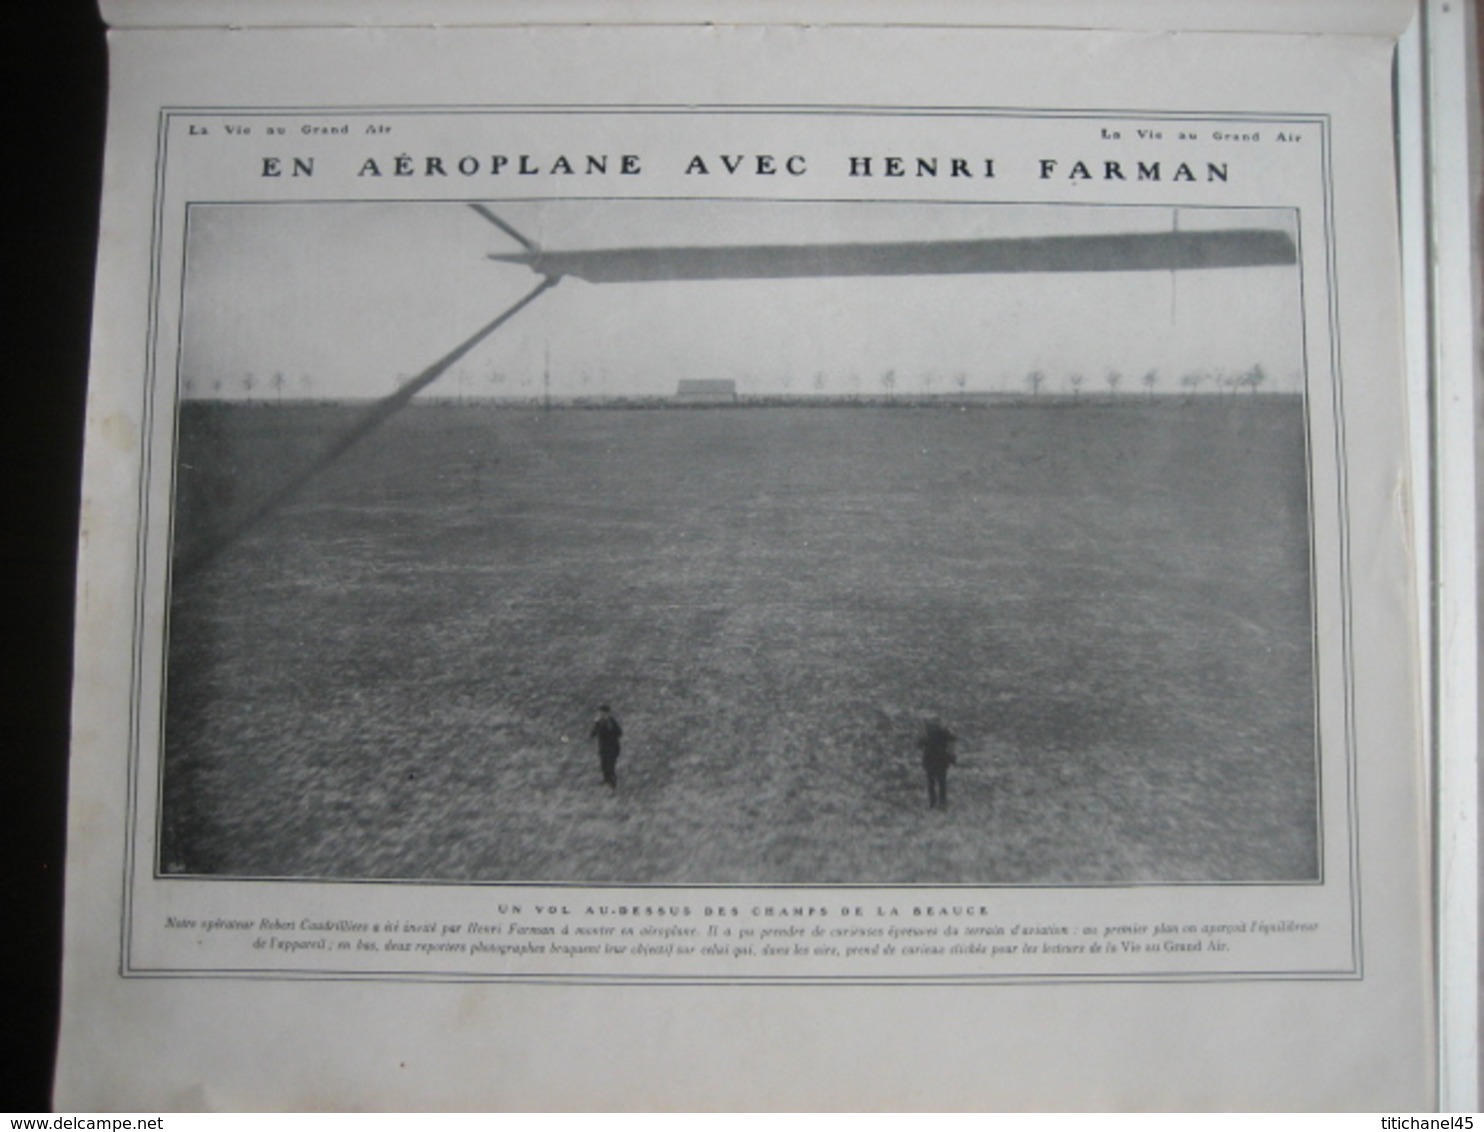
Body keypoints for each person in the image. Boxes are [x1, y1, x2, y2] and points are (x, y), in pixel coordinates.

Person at [918, 718, 956, 810]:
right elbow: (953, 739)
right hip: (942, 762)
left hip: (929, 763)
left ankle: (932, 802)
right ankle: (942, 802)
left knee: (931, 784)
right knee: (942, 783)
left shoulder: (928, 736)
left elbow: (919, 745)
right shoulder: (943, 734)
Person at [590, 704, 623, 790]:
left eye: (603, 713)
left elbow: (619, 733)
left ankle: (613, 785)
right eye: (600, 713)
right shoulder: (599, 723)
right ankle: (606, 780)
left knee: (610, 767)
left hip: (612, 748)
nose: (602, 715)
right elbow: (593, 734)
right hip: (603, 748)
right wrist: (596, 725)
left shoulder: (611, 722)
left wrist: (610, 730)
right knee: (604, 765)